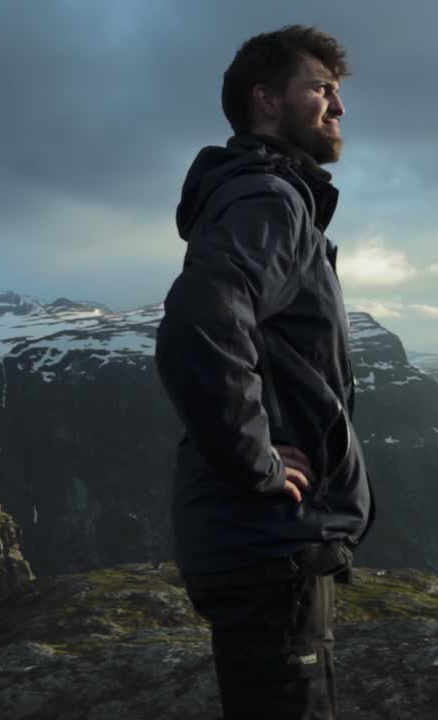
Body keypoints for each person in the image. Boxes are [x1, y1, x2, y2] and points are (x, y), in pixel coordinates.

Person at [154, 24, 376, 719]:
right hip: (269, 541)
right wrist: (258, 463)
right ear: (266, 101)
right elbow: (201, 321)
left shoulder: (257, 197)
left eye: (338, 92)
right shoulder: (269, 200)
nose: (337, 106)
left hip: (258, 546)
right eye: (320, 88)